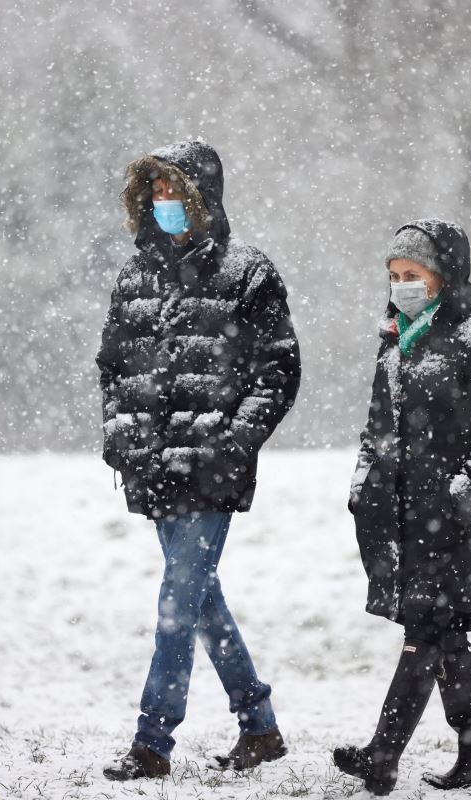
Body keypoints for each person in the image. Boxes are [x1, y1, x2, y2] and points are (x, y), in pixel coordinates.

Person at [96, 140, 301, 780]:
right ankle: (258, 724)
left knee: (176, 604)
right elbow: (111, 368)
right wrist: (120, 433)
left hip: (213, 468)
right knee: (199, 598)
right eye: (154, 192)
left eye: (175, 191)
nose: (165, 203)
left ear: (203, 196)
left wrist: (234, 438)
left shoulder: (248, 273)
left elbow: (278, 372)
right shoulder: (134, 277)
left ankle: (152, 740)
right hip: (152, 466)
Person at [335, 219, 471, 794]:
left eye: (412, 274)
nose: (401, 285)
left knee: (425, 630)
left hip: (457, 521)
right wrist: (364, 482)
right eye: (394, 276)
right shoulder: (393, 341)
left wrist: (464, 490)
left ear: (444, 277)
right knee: (444, 635)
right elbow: (377, 429)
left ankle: (383, 756)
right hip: (404, 516)